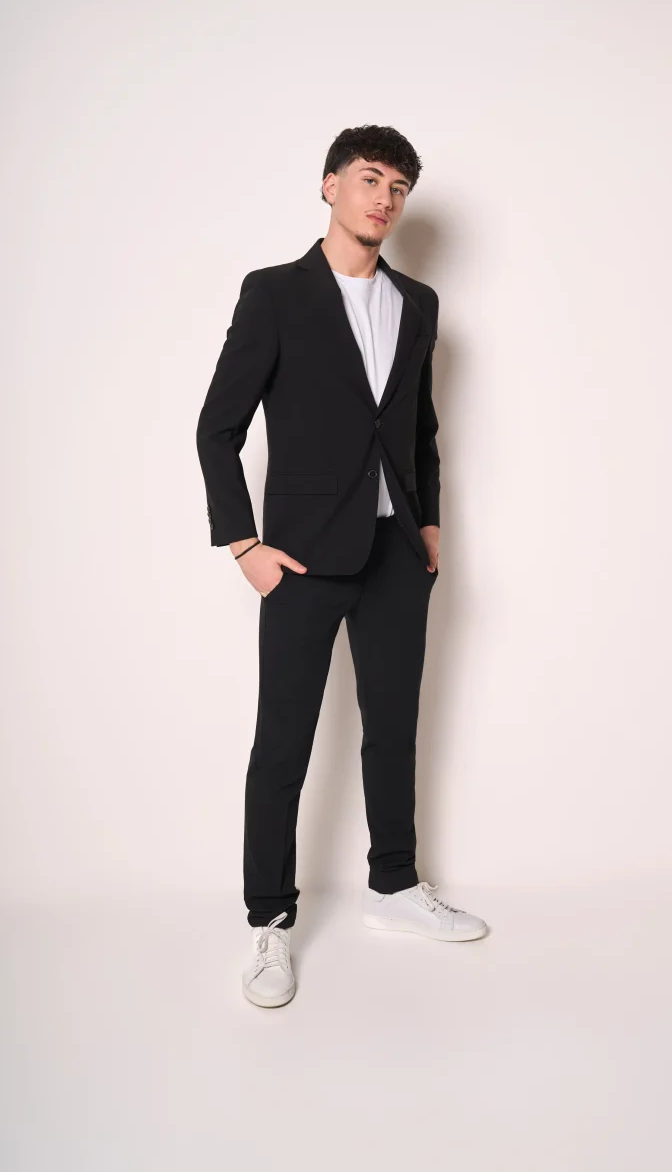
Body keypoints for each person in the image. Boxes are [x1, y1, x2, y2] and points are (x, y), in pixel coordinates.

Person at [196, 124, 487, 1008]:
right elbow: (217, 427)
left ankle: (393, 883)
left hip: (395, 555)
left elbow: (421, 428)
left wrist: (429, 525)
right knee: (283, 740)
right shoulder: (275, 293)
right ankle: (269, 920)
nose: (384, 198)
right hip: (300, 559)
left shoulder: (418, 302)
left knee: (393, 727)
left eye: (398, 187)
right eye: (369, 179)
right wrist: (244, 546)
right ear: (330, 185)